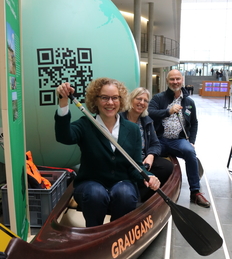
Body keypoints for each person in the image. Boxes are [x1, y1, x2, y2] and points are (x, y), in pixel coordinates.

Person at [55, 78, 160, 227]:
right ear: (95, 100)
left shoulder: (132, 129)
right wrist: (64, 102)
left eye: (114, 98)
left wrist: (148, 176)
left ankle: (117, 234)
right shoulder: (86, 124)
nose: (110, 103)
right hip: (90, 184)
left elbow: (135, 165)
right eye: (104, 98)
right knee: (95, 194)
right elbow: (64, 137)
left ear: (121, 100)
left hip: (123, 183)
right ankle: (94, 234)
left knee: (125, 194)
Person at [148, 69, 210, 208]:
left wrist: (192, 141)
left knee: (190, 152)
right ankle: (150, 190)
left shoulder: (189, 102)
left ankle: (195, 192)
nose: (175, 82)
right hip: (160, 140)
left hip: (178, 140)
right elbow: (149, 113)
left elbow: (194, 123)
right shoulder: (159, 98)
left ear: (182, 80)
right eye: (172, 79)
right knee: (149, 156)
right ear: (167, 81)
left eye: (177, 79)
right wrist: (168, 111)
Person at [120, 87, 173, 201]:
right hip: (126, 161)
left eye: (145, 100)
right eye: (139, 99)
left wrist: (151, 155)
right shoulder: (119, 118)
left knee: (167, 167)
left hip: (143, 160)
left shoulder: (146, 120)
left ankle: (143, 197)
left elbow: (156, 144)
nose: (142, 103)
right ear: (131, 99)